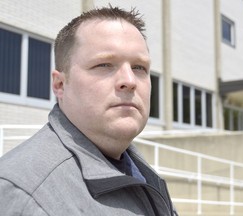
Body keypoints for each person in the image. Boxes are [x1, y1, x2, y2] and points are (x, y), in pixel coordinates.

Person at [0, 6, 178, 216]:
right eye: (104, 65)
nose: (129, 81)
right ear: (60, 85)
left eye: (139, 67)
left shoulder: (141, 173)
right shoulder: (23, 194)